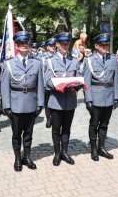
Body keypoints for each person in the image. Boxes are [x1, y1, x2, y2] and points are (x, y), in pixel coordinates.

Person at [1, 31, 44, 171]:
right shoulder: (9, 64)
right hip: (16, 104)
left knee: (29, 134)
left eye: (27, 43)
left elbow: (40, 85)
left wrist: (40, 103)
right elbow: (5, 87)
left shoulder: (37, 63)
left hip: (31, 103)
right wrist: (6, 106)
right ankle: (17, 159)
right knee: (16, 134)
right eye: (21, 43)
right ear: (17, 45)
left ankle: (27, 157)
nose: (25, 45)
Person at [44, 32, 80, 166]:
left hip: (70, 100)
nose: (66, 46)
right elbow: (47, 81)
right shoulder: (50, 61)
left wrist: (77, 85)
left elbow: (79, 77)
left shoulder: (74, 60)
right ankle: (57, 153)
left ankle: (65, 152)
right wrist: (59, 85)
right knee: (56, 129)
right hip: (56, 100)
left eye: (67, 43)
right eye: (63, 44)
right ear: (57, 45)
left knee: (66, 128)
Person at [83, 33, 118, 161]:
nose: (105, 47)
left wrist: (116, 97)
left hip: (109, 97)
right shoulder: (90, 60)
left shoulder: (113, 59)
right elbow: (86, 81)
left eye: (107, 44)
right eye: (103, 45)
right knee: (94, 124)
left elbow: (116, 79)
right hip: (95, 97)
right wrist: (88, 99)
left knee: (104, 124)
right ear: (96, 46)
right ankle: (93, 149)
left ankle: (101, 147)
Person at [42, 38, 56, 128]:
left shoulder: (57, 56)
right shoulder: (43, 58)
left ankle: (54, 118)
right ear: (47, 47)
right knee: (47, 103)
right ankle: (48, 118)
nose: (53, 47)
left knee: (54, 101)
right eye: (51, 46)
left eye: (54, 45)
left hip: (55, 84)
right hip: (46, 84)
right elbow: (42, 72)